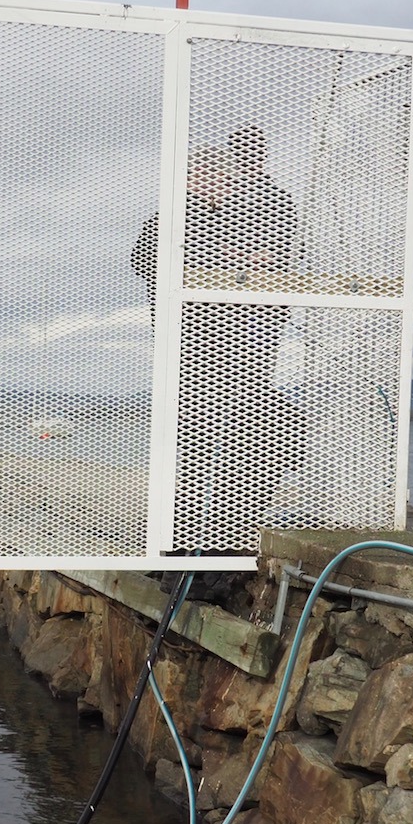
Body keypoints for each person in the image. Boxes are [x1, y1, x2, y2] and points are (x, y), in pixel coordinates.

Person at [132, 129, 304, 553]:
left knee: (250, 437)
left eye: (225, 177)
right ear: (194, 176)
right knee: (195, 449)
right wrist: (229, 259)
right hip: (193, 355)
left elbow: (275, 260)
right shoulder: (174, 216)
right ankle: (185, 543)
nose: (224, 185)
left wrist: (254, 261)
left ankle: (218, 536)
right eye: (215, 176)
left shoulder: (255, 210)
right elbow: (146, 259)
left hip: (235, 354)